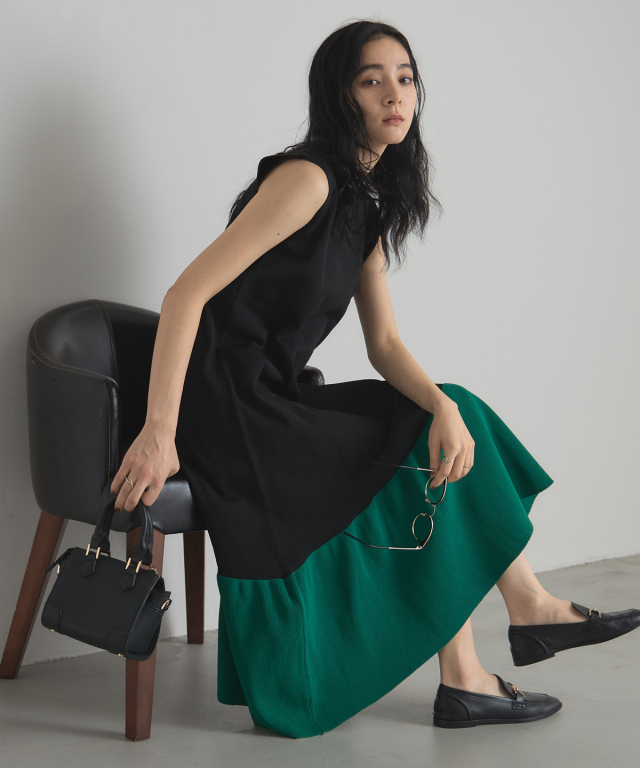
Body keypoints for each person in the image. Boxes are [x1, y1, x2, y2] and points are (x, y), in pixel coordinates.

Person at [109, 20, 640, 737]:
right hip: (228, 406)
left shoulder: (367, 206)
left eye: (406, 77)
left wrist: (442, 405)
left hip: (276, 393)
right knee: (422, 442)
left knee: (447, 418)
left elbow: (384, 344)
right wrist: (159, 431)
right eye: (372, 79)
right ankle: (514, 626)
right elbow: (185, 296)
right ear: (342, 95)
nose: (396, 94)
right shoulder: (306, 180)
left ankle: (491, 649)